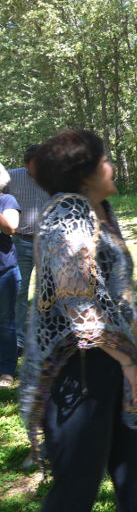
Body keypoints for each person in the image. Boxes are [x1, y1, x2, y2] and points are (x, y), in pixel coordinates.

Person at [18, 130, 137, 512]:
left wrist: (129, 360)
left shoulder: (100, 209)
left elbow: (114, 293)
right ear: (83, 174)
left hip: (114, 365)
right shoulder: (66, 214)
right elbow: (75, 296)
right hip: (78, 378)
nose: (113, 165)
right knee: (74, 495)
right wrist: (127, 360)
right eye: (105, 160)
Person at [7, 145, 49, 354]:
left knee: (52, 291)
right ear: (25, 164)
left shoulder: (55, 177)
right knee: (19, 291)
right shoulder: (11, 177)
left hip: (50, 243)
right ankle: (19, 340)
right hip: (21, 241)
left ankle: (48, 337)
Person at [0, 163, 21, 387]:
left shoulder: (7, 201)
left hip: (3, 271)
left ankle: (6, 370)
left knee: (5, 322)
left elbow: (10, 227)